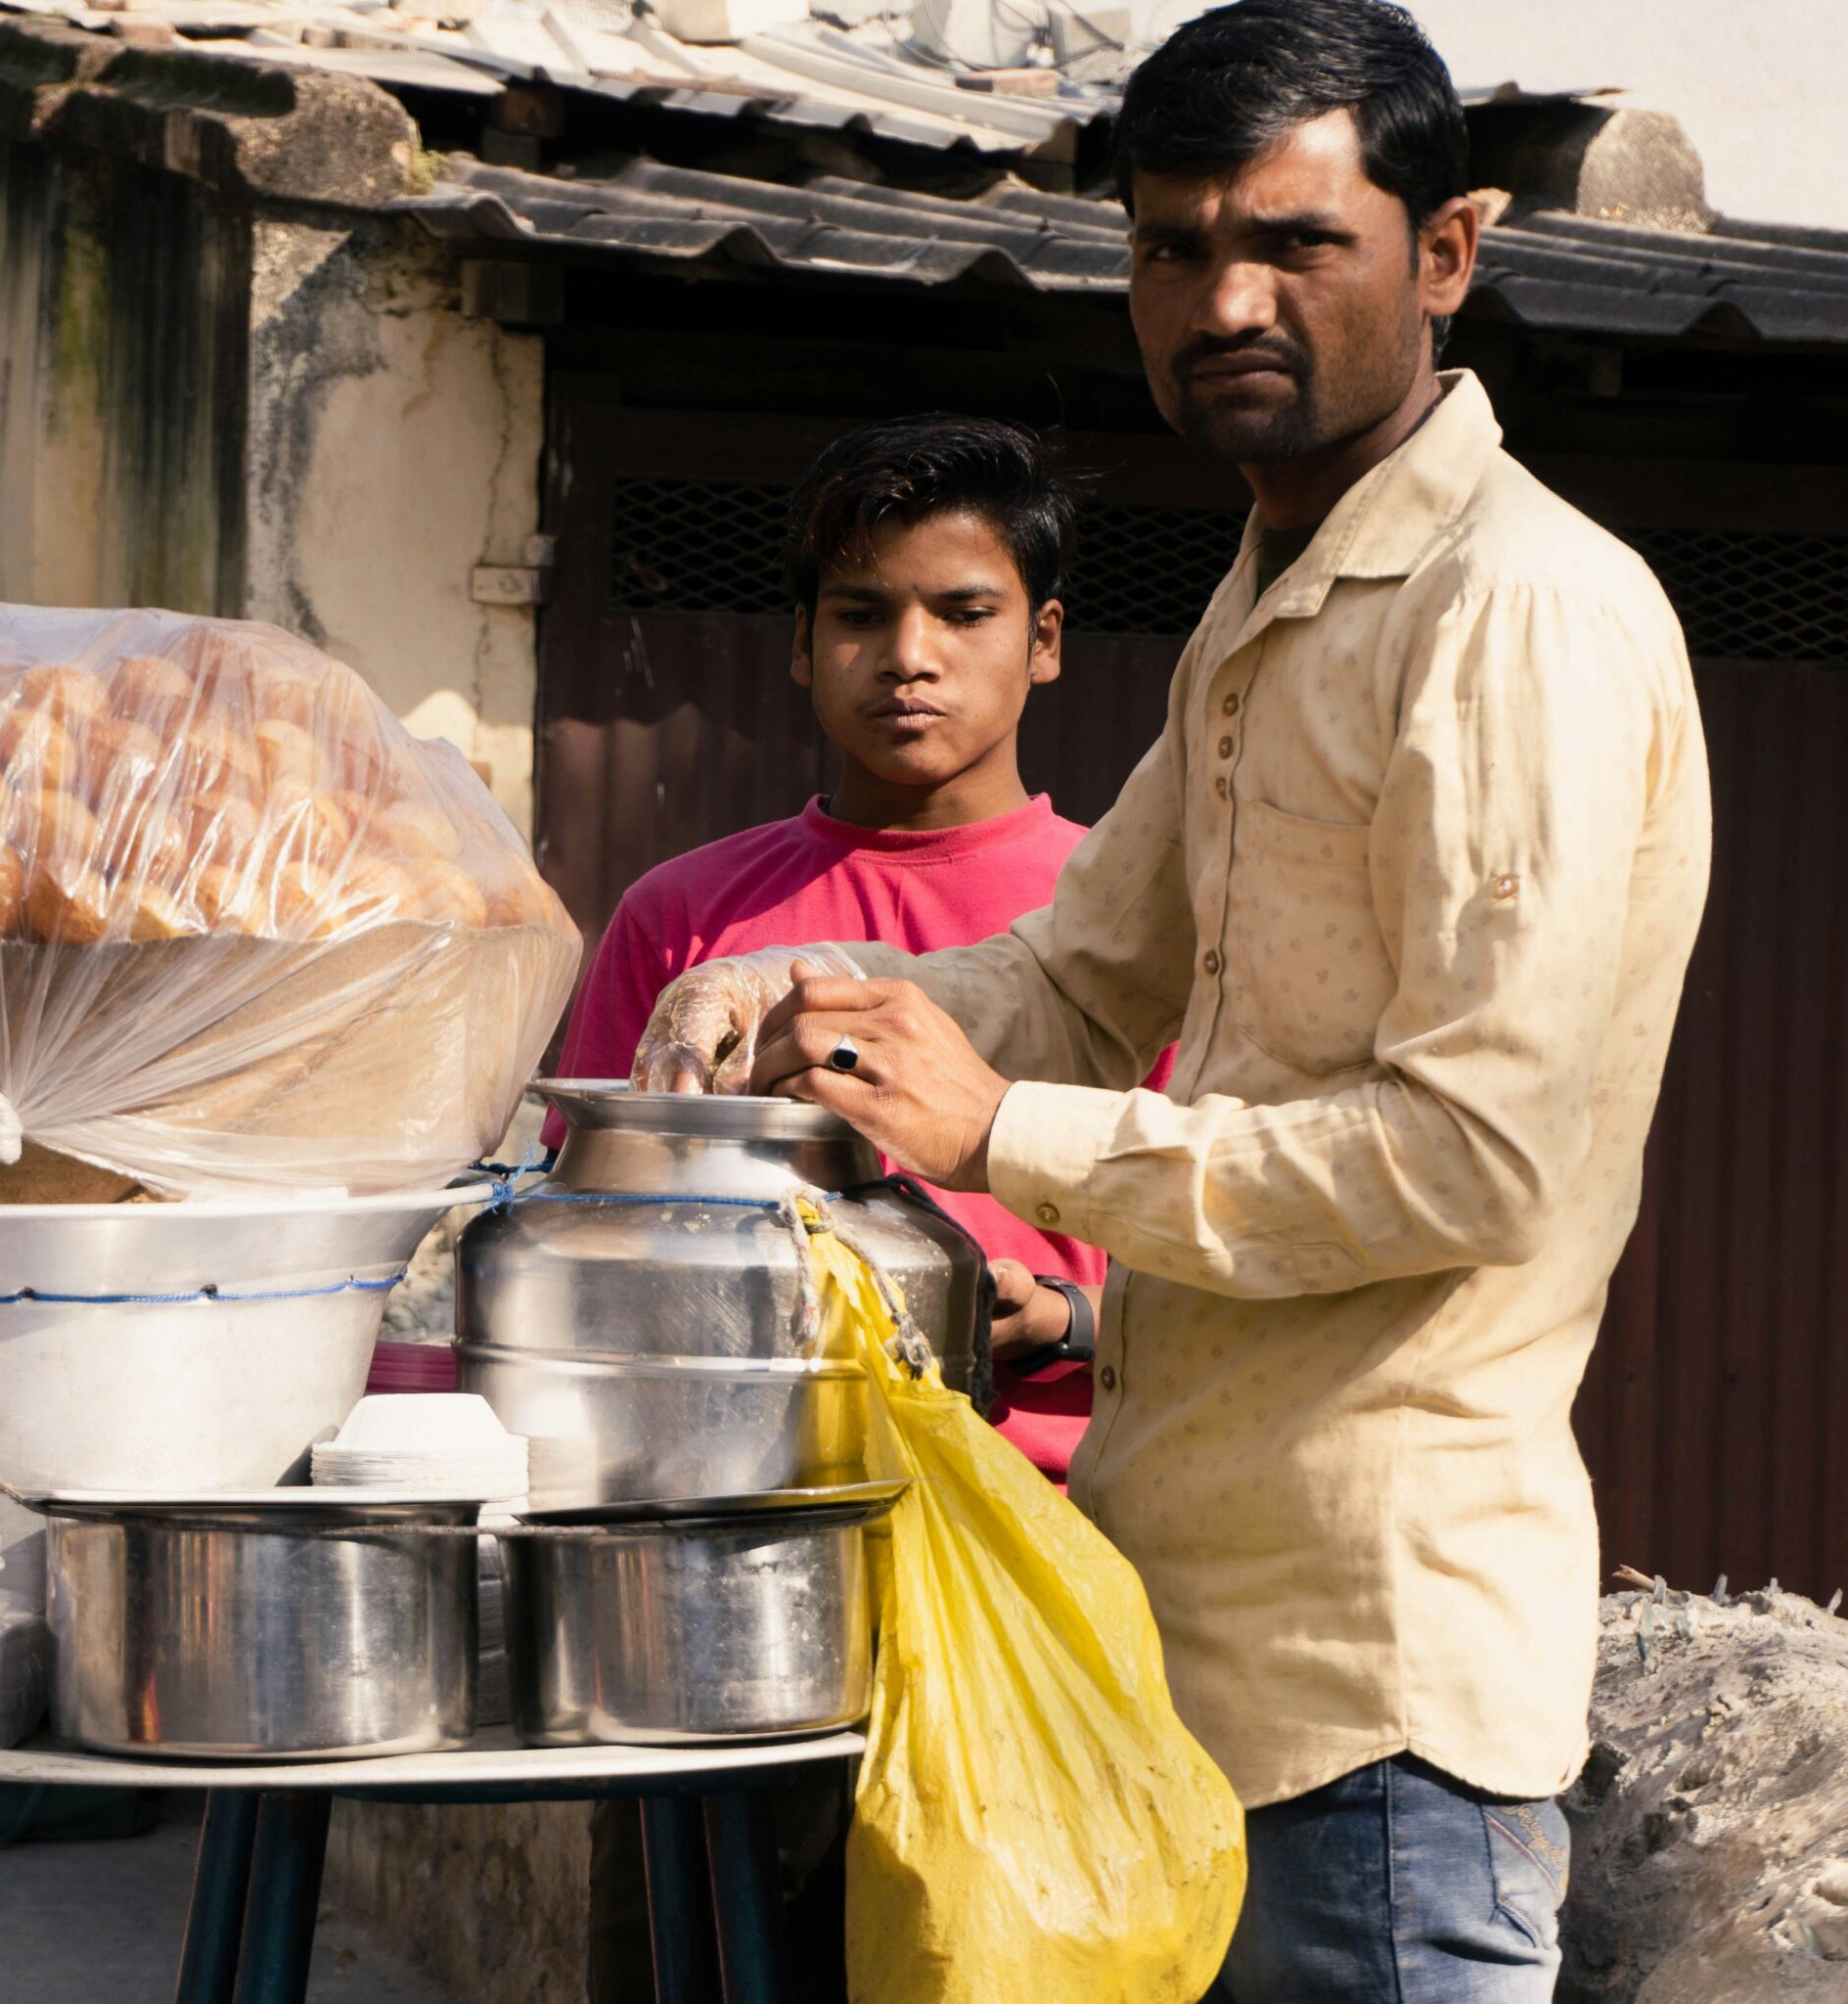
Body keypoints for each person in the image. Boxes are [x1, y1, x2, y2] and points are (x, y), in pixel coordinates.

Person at [637, 3, 1711, 1995]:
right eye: (1168, 246)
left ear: (1443, 254)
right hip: (1165, 1654)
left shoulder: (1518, 613)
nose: (1222, 298)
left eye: (1291, 244)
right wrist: (812, 995)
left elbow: (1475, 1158)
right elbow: (1069, 963)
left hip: (1372, 1708)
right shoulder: (1265, 589)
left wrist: (997, 1136)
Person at [554, 412, 1158, 1482]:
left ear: (1046, 639)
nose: (908, 657)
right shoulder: (684, 915)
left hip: (1060, 1509)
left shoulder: (1134, 920)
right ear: (799, 641)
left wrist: (1063, 1316)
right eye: (862, 614)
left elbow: (1239, 1262)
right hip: (743, 1489)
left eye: (965, 613)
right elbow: (584, 1231)